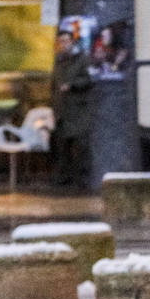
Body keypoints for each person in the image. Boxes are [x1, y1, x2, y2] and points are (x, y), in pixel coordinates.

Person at [50, 30, 92, 188]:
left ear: (72, 42)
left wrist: (72, 85)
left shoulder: (81, 59)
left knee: (79, 145)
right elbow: (53, 85)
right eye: (61, 41)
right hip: (61, 110)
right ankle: (64, 177)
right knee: (62, 146)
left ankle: (81, 178)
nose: (64, 44)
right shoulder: (58, 61)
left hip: (77, 109)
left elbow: (88, 79)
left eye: (66, 40)